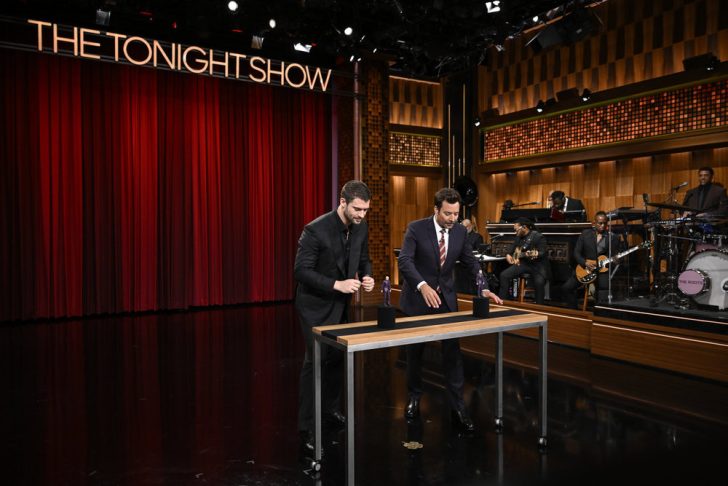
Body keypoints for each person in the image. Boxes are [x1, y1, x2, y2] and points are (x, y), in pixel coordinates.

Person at [398, 188, 503, 432]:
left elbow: (471, 262)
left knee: (453, 354)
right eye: (447, 213)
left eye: (456, 214)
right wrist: (422, 286)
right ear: (436, 209)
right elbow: (405, 260)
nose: (452, 218)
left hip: (445, 299)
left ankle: (458, 407)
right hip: (418, 298)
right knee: (414, 353)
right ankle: (414, 397)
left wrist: (483, 288)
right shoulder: (416, 228)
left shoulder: (459, 231)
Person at [294, 180, 375, 457]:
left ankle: (329, 410)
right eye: (357, 209)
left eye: (365, 210)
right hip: (314, 306)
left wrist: (367, 275)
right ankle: (306, 427)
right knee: (315, 363)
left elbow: (364, 258)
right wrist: (336, 284)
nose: (361, 215)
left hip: (341, 305)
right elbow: (301, 271)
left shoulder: (361, 226)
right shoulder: (314, 230)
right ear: (342, 202)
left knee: (337, 359)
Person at [560, 211, 623, 309]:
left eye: (605, 223)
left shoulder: (612, 237)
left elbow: (615, 256)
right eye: (600, 223)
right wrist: (585, 263)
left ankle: (599, 313)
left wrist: (616, 260)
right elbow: (576, 253)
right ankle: (574, 311)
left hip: (602, 270)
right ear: (594, 223)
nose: (603, 226)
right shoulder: (585, 234)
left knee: (603, 290)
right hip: (585, 269)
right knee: (566, 288)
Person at [498, 217, 551, 305]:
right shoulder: (519, 237)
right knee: (504, 275)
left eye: (516, 229)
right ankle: (502, 302)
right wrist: (508, 255)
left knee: (539, 283)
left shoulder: (538, 237)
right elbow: (512, 249)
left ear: (524, 227)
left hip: (538, 266)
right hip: (524, 264)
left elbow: (542, 252)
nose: (515, 232)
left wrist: (532, 254)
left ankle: (539, 307)